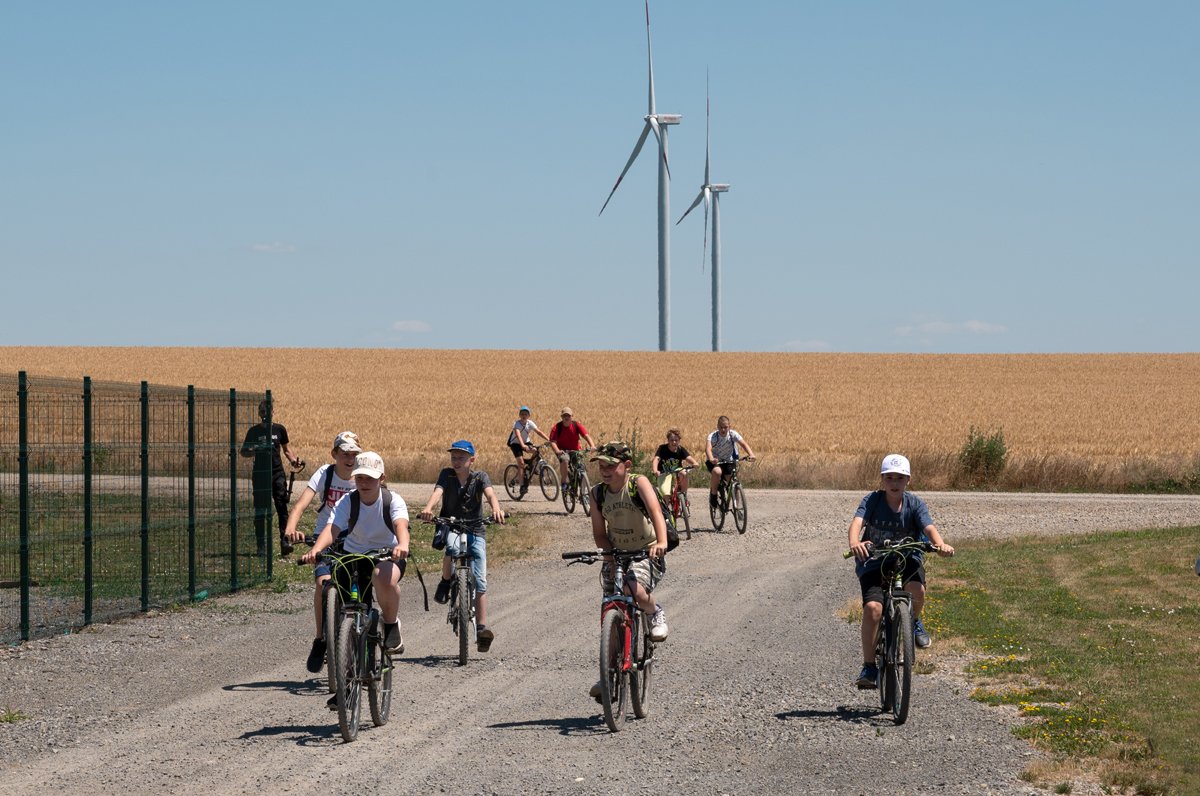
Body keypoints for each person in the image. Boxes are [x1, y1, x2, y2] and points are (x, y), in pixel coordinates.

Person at [847, 453, 954, 689]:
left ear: (908, 480)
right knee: (873, 608)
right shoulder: (873, 500)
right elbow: (857, 523)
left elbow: (929, 527)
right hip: (875, 561)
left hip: (907, 558)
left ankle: (912, 622)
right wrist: (855, 542)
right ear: (882, 479)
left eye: (899, 478)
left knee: (917, 590)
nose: (894, 483)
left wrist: (940, 545)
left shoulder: (915, 504)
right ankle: (869, 666)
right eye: (889, 478)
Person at [300, 451, 410, 659]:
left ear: (382, 478)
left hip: (387, 555)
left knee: (382, 577)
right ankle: (341, 651)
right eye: (359, 477)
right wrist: (316, 549)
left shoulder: (392, 500)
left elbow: (401, 526)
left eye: (370, 478)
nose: (364, 483)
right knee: (341, 597)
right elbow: (332, 529)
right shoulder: (348, 501)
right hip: (353, 556)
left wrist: (402, 545)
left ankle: (391, 624)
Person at [587, 441, 670, 699]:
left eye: (611, 466)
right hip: (617, 554)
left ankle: (655, 611)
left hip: (646, 551)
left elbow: (656, 512)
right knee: (610, 609)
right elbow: (599, 533)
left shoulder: (638, 483)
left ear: (627, 465)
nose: (605, 471)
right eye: (601, 466)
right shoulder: (597, 493)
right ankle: (608, 673)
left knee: (633, 589)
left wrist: (661, 542)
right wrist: (608, 557)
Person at [282, 431, 362, 673]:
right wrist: (290, 529)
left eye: (353, 454)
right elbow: (300, 505)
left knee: (359, 582)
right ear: (334, 454)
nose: (349, 459)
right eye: (344, 454)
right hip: (324, 536)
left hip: (355, 537)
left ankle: (361, 630)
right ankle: (320, 639)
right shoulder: (325, 474)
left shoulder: (363, 475)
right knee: (322, 583)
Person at [418, 440, 506, 653]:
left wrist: (496, 509)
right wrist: (428, 509)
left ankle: (482, 629)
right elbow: (438, 492)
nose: (456, 461)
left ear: (471, 460)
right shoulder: (446, 475)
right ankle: (445, 581)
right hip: (452, 525)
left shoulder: (480, 477)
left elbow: (490, 494)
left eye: (461, 458)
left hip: (476, 529)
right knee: (452, 548)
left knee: (481, 579)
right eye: (454, 457)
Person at [240, 399, 302, 555]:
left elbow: (286, 449)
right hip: (260, 474)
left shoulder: (279, 429)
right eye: (262, 412)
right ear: (259, 413)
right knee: (260, 510)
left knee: (282, 507)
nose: (265, 415)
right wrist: (257, 448)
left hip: (277, 473)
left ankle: (285, 542)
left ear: (273, 412)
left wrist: (293, 460)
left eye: (267, 412)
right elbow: (244, 452)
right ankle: (261, 546)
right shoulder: (254, 431)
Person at [704, 415, 756, 508]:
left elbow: (744, 444)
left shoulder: (733, 434)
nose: (723, 430)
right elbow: (708, 449)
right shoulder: (713, 436)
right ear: (717, 426)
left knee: (731, 480)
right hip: (714, 461)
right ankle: (713, 495)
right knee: (717, 472)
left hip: (728, 461)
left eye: (725, 427)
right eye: (721, 427)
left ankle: (737, 507)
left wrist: (751, 454)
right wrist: (711, 459)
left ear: (729, 427)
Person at [549, 407, 597, 490]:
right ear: (561, 417)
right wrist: (557, 451)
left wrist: (592, 446)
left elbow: (586, 436)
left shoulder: (576, 425)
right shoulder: (557, 427)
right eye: (564, 416)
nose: (566, 417)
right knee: (565, 460)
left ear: (572, 416)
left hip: (575, 450)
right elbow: (552, 442)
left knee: (581, 466)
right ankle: (564, 482)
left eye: (568, 416)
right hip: (563, 451)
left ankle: (583, 491)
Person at [507, 406, 551, 494]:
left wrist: (549, 440)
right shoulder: (517, 424)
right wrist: (523, 445)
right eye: (522, 414)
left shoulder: (530, 423)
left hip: (525, 442)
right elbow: (518, 435)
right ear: (519, 415)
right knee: (521, 463)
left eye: (526, 414)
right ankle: (522, 486)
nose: (524, 416)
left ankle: (530, 466)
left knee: (536, 451)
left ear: (529, 415)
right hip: (515, 444)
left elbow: (539, 432)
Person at [650, 428, 699, 502]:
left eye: (676, 440)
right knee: (666, 494)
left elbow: (688, 458)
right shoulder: (662, 448)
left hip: (677, 470)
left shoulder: (680, 449)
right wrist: (655, 470)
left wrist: (694, 463)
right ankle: (666, 508)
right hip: (664, 472)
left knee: (684, 473)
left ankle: (683, 495)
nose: (674, 442)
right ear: (668, 440)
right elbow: (656, 459)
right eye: (671, 440)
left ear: (679, 440)